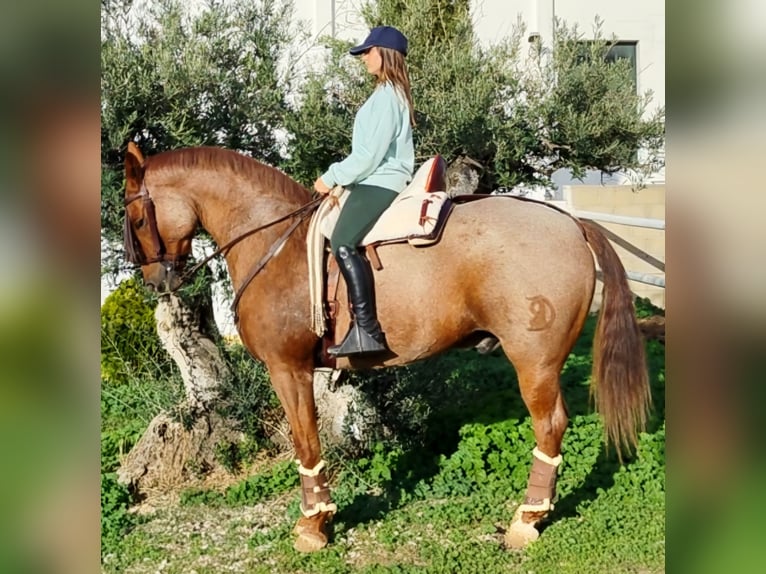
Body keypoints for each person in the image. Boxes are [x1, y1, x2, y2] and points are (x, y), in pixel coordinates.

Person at [314, 25, 415, 358]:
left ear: (383, 54)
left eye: (367, 52)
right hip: (372, 179)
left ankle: (367, 330)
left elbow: (369, 156)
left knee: (342, 241)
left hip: (380, 180)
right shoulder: (387, 93)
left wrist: (330, 178)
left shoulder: (387, 97)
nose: (363, 59)